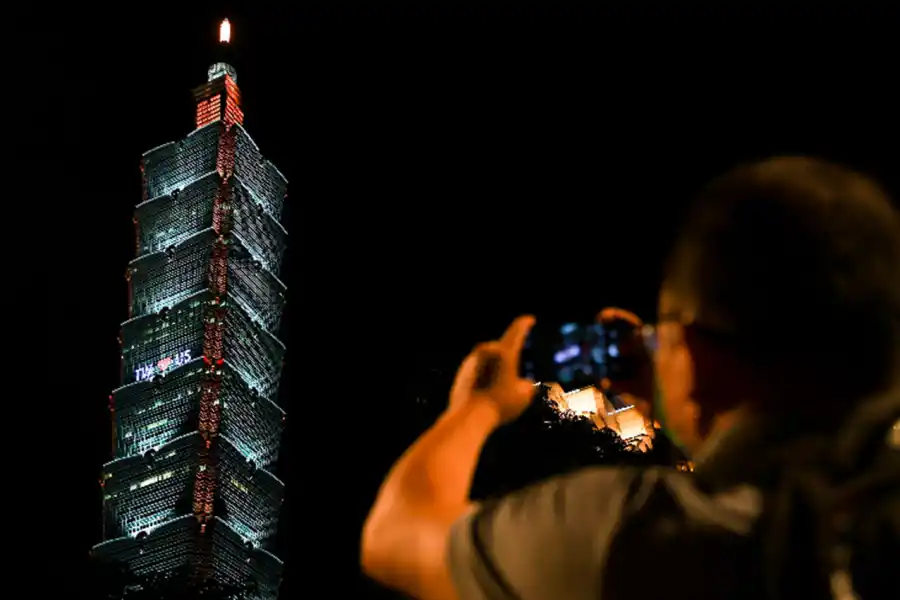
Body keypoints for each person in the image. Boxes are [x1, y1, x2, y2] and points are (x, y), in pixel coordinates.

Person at [361, 157, 900, 600]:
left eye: (668, 334)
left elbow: (396, 536)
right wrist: (680, 392)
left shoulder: (633, 534)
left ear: (694, 351)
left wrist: (477, 407)